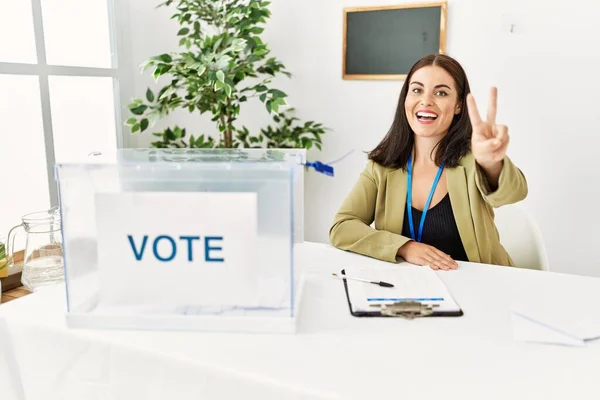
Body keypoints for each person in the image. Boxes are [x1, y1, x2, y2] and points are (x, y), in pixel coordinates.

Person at [329, 54, 527, 270]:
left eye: (441, 93)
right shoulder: (383, 166)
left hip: (479, 288)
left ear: (458, 105)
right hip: (410, 289)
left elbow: (514, 193)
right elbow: (342, 227)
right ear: (405, 98)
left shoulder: (474, 160)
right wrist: (406, 247)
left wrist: (491, 164)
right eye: (417, 90)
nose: (426, 101)